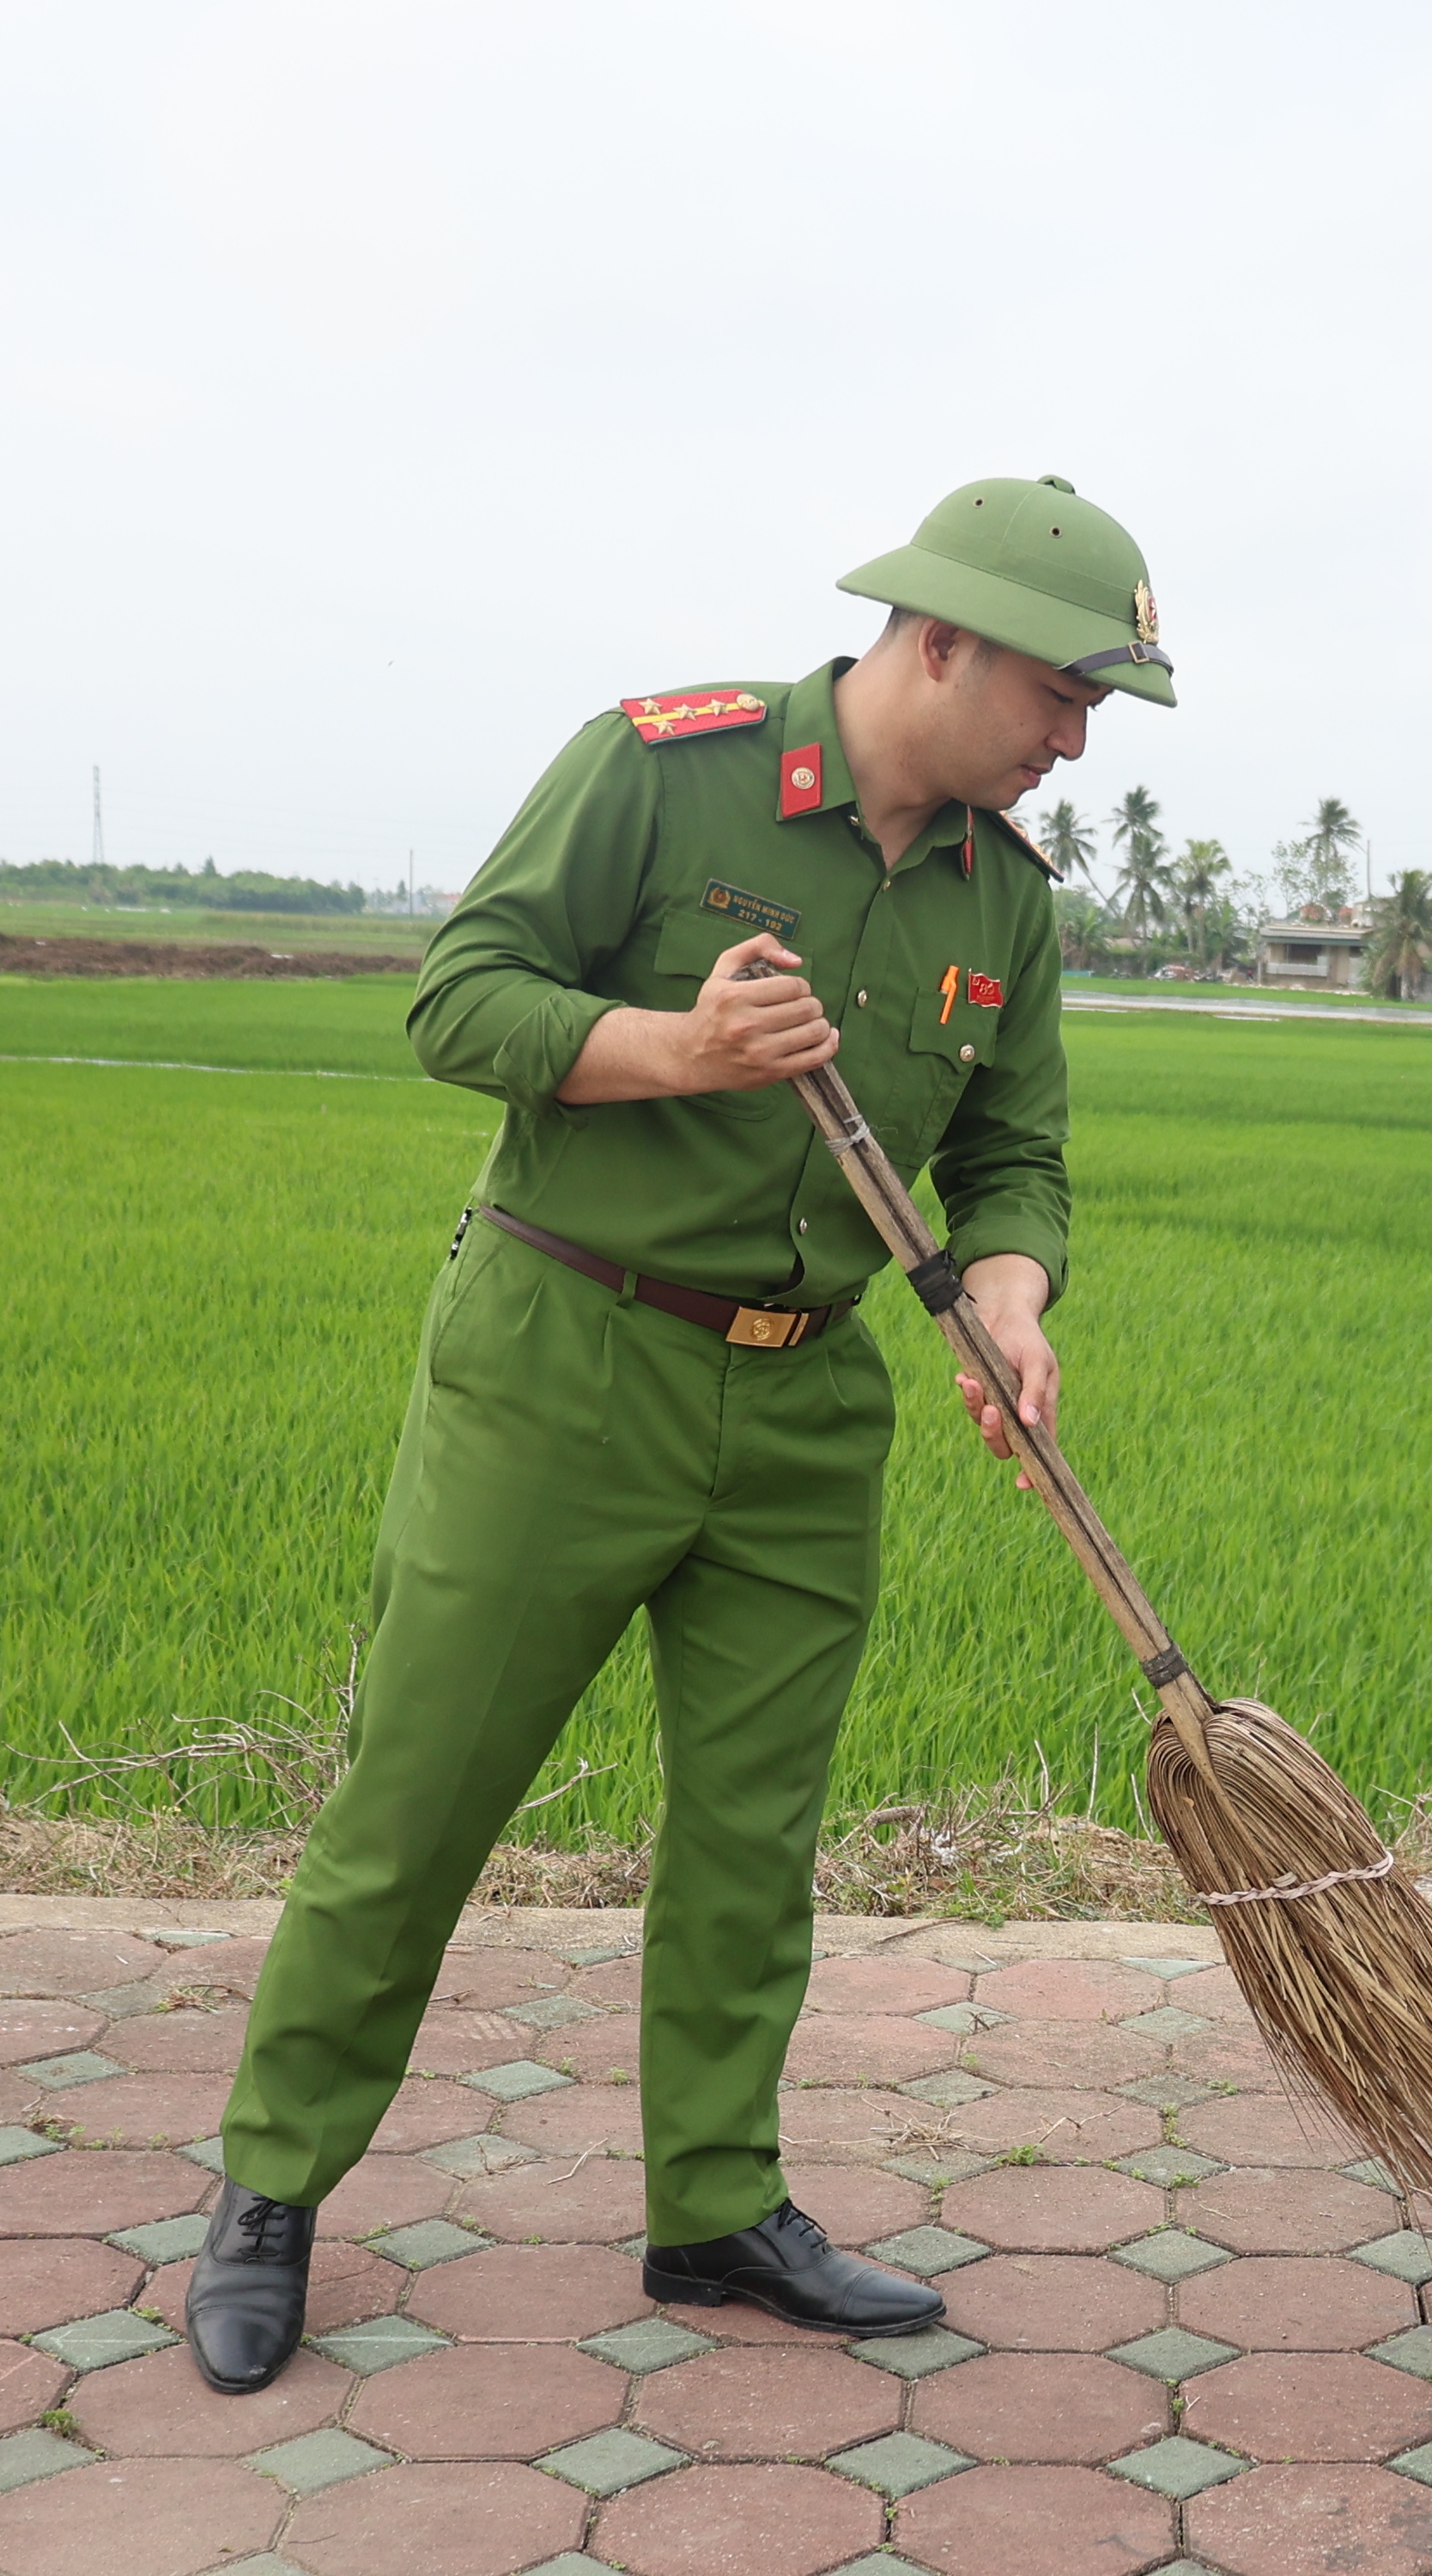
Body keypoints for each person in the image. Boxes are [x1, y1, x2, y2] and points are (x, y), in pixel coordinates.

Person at [183, 477, 1175, 2393]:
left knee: (754, 1832)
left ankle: (714, 2201)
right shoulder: (660, 772)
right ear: (939, 638)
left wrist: (1014, 1297)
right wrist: (677, 1048)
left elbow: (1017, 1153)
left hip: (806, 1397)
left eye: (1096, 713)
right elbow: (456, 998)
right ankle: (273, 2181)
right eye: (1063, 694)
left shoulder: (1003, 900)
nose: (1072, 741)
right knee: (420, 1794)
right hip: (566, 1360)